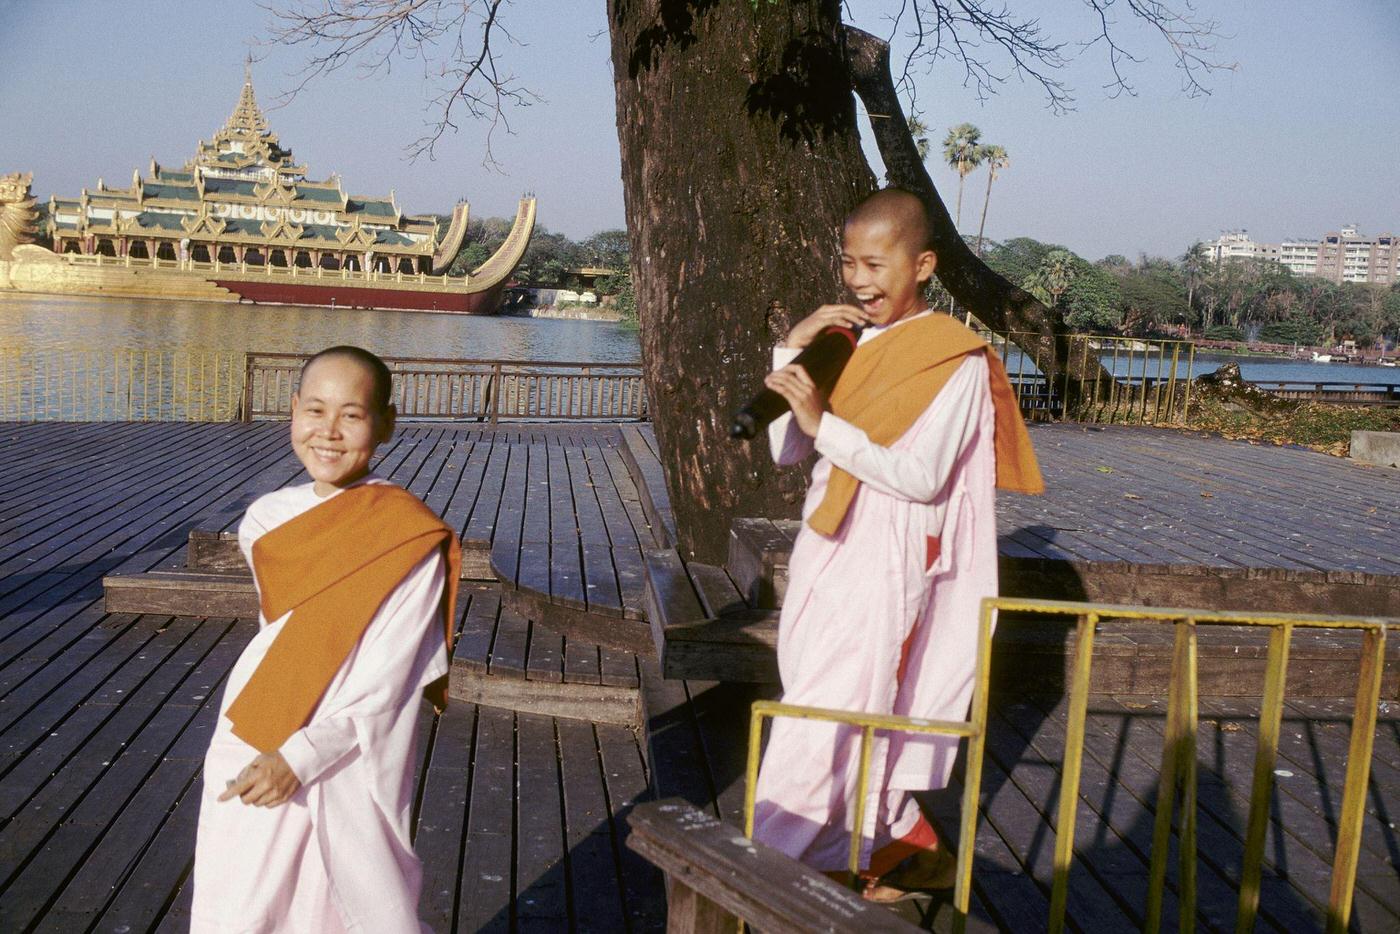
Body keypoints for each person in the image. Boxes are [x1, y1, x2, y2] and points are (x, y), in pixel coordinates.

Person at [751, 188, 1043, 901]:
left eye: (876, 264)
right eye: (849, 262)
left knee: (821, 713)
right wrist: (795, 346)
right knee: (829, 695)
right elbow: (788, 450)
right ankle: (900, 841)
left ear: (924, 265)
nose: (857, 280)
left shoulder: (954, 358)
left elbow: (920, 477)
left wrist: (826, 425)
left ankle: (763, 874)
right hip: (827, 540)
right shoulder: (845, 340)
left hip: (890, 551)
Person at [191, 346, 459, 933]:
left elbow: (389, 677)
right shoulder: (264, 518)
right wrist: (272, 746)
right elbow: (281, 635)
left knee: (339, 909)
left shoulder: (407, 535)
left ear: (385, 422)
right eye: (315, 410)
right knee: (240, 908)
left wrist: (302, 756)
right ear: (292, 413)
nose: (329, 433)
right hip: (254, 731)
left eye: (352, 415)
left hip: (344, 754)